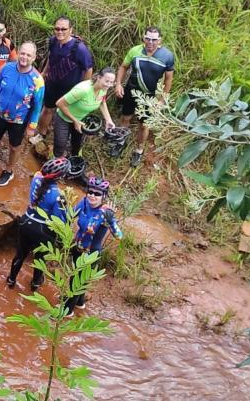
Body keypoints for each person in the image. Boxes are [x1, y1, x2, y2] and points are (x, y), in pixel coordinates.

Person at [0, 42, 44, 187]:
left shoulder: (37, 80)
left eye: (28, 55)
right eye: (22, 53)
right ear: (18, 54)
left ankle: (9, 170)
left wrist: (32, 126)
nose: (24, 57)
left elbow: (38, 106)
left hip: (19, 120)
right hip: (0, 114)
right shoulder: (7, 68)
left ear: (34, 58)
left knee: (14, 147)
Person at [114, 26, 175, 167]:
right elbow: (123, 66)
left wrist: (162, 99)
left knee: (144, 125)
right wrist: (118, 84)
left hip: (149, 96)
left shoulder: (167, 56)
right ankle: (121, 142)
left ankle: (139, 150)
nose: (150, 42)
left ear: (160, 40)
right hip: (131, 90)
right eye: (147, 38)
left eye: (154, 39)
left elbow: (168, 80)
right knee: (125, 118)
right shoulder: (135, 51)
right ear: (143, 38)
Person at [6, 157, 70, 292]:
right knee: (40, 259)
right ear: (60, 177)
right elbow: (59, 221)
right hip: (43, 230)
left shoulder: (36, 179)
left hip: (26, 222)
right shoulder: (58, 196)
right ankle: (35, 284)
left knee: (20, 254)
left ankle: (11, 280)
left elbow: (38, 176)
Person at [64, 176, 123, 315]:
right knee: (77, 279)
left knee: (77, 282)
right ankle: (79, 303)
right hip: (78, 248)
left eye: (97, 194)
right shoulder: (84, 202)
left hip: (91, 254)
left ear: (104, 196)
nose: (92, 196)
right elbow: (69, 216)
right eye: (90, 192)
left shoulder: (106, 213)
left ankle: (67, 312)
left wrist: (110, 222)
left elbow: (119, 236)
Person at [33, 17, 93, 143]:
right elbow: (51, 58)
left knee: (66, 114)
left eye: (63, 29)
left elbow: (88, 69)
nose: (60, 32)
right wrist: (44, 73)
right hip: (52, 83)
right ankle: (41, 134)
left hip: (70, 88)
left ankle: (65, 140)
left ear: (70, 30)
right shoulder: (53, 41)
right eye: (57, 29)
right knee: (47, 109)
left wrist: (84, 88)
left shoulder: (80, 49)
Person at [52, 68, 116, 158]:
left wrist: (108, 120)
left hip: (81, 119)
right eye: (107, 81)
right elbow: (59, 104)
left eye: (111, 82)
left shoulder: (103, 89)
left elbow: (102, 102)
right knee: (60, 145)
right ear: (99, 77)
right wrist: (75, 121)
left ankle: (73, 160)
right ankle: (56, 163)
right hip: (63, 118)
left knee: (77, 144)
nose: (109, 85)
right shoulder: (83, 90)